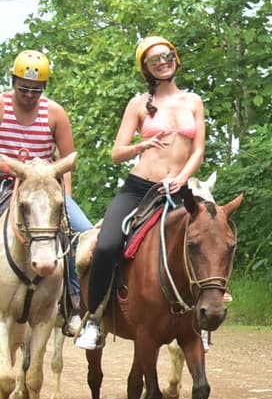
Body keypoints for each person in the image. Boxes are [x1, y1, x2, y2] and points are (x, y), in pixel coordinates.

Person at [75, 36, 206, 349]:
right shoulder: (138, 104)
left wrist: (183, 177)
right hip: (139, 188)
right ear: (146, 68)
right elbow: (116, 153)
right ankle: (94, 318)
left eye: (166, 55)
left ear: (175, 57)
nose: (162, 61)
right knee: (106, 246)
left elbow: (198, 149)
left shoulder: (193, 101)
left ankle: (202, 320)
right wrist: (141, 145)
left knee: (210, 238)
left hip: (178, 188)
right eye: (154, 59)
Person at [1, 50, 93, 319]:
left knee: (83, 234)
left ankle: (73, 302)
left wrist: (65, 198)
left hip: (46, 190)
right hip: (6, 183)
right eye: (24, 88)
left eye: (36, 90)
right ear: (14, 82)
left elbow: (67, 161)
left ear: (44, 87)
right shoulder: (1, 106)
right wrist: (18, 169)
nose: (29, 95)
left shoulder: (55, 113)